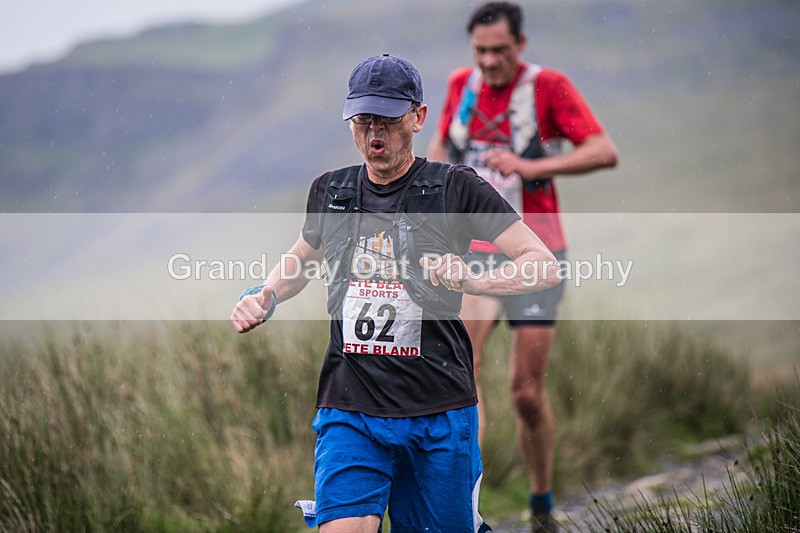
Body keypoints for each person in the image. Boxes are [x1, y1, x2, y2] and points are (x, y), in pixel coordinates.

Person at [231, 53, 560, 532]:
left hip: (438, 410)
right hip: (351, 405)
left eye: (386, 119)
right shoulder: (331, 192)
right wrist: (265, 295)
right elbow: (302, 260)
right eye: (362, 121)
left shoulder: (455, 189)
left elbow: (542, 265)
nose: (374, 133)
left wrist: (475, 281)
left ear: (418, 117)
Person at [427, 3, 618, 531]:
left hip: (538, 254)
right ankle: (464, 507)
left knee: (526, 393)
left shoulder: (548, 87)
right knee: (463, 373)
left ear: (521, 44)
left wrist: (531, 165)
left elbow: (603, 150)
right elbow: (441, 147)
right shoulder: (462, 86)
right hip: (474, 254)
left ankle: (540, 502)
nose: (489, 61)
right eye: (480, 51)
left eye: (500, 51)